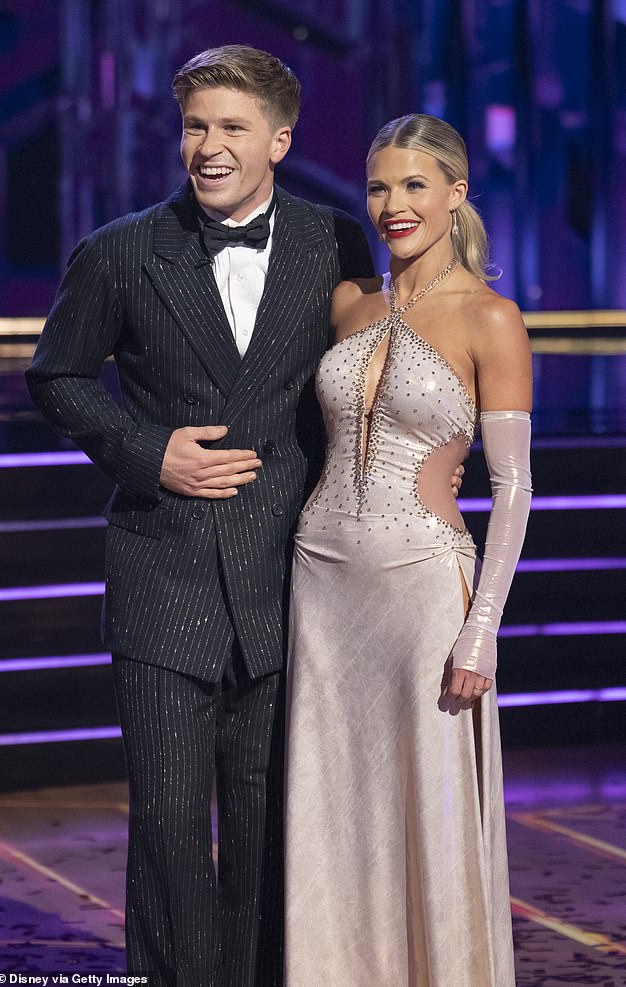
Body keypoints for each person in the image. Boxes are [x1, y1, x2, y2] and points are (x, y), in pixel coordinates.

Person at [26, 46, 465, 987]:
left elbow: (383, 365)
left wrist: (438, 459)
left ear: (280, 140)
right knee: (169, 825)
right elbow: (57, 374)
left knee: (273, 825)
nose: (210, 146)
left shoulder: (332, 241)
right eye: (195, 126)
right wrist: (147, 449)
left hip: (293, 579)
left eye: (232, 127)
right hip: (163, 573)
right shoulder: (120, 250)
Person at [284, 113, 532, 987]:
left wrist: (482, 628)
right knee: (332, 804)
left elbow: (513, 487)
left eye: (415, 185)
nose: (393, 203)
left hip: (425, 590)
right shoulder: (348, 303)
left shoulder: (491, 318)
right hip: (320, 582)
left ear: (456, 193)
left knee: (427, 806)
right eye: (380, 186)